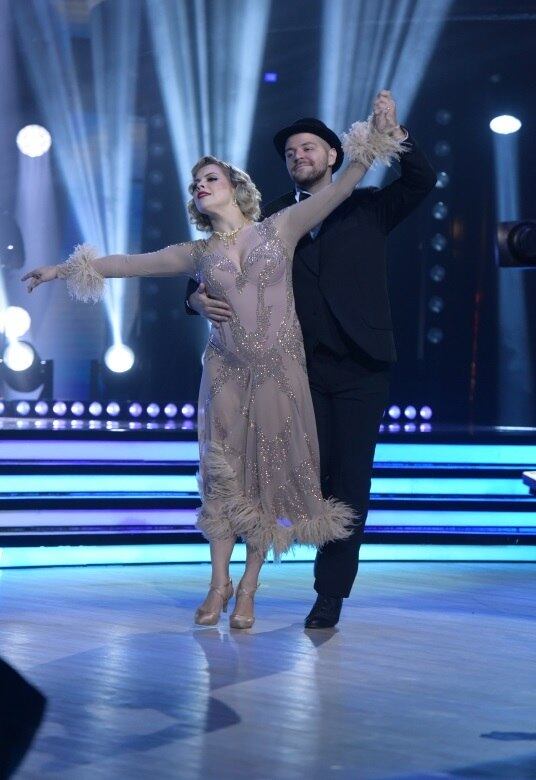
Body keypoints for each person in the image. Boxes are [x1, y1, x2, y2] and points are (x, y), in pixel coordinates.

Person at [23, 94, 407, 630]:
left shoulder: (282, 226)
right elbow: (131, 264)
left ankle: (249, 588)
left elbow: (345, 185)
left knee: (264, 478)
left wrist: (378, 134)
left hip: (281, 372)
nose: (201, 187)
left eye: (211, 179)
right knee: (223, 479)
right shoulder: (197, 254)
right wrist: (60, 271)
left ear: (236, 187)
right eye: (196, 183)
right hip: (225, 372)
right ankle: (217, 583)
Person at [186, 91, 437, 628]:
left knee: (348, 482)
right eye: (290, 152)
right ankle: (241, 585)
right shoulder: (271, 217)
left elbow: (421, 182)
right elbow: (210, 260)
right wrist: (192, 298)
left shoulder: (367, 206)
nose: (298, 155)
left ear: (332, 155)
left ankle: (329, 594)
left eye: (309, 147)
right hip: (293, 369)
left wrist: (394, 132)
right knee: (279, 475)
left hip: (361, 366)